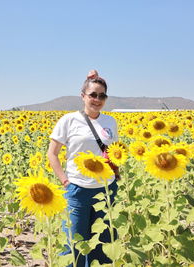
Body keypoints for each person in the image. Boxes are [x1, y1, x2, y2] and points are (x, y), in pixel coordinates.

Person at [47, 70, 119, 267]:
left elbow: (113, 153)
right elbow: (52, 153)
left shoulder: (110, 121)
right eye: (93, 95)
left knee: (103, 244)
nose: (97, 99)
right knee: (74, 246)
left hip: (105, 190)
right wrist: (65, 180)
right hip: (78, 189)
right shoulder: (69, 120)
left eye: (102, 95)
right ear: (83, 96)